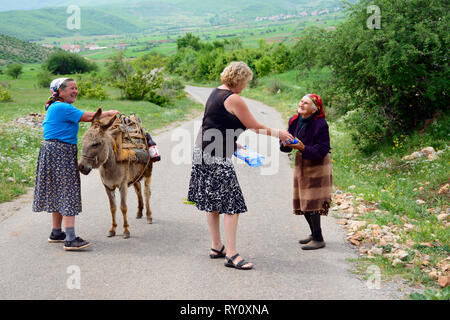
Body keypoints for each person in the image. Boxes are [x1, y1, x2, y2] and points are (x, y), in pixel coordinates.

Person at [187, 62, 294, 270]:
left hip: (202, 151)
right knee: (231, 204)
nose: (246, 86)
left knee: (213, 202)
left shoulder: (216, 92)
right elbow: (255, 127)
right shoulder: (234, 98)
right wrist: (279, 133)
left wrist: (233, 143)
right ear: (240, 79)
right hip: (216, 156)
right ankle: (231, 254)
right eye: (246, 81)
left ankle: (216, 246)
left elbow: (212, 123)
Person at [32, 78, 119, 251]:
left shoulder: (55, 106)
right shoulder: (62, 107)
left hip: (52, 150)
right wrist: (109, 112)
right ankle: (70, 239)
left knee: (57, 191)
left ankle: (56, 232)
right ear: (60, 92)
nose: (75, 91)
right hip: (60, 151)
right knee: (68, 191)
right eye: (71, 88)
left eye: (76, 88)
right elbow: (88, 117)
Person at [280, 94, 332, 250]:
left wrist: (303, 148)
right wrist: (285, 143)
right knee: (303, 201)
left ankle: (318, 238)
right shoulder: (294, 120)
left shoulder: (320, 124)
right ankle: (314, 233)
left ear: (314, 109)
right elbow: (286, 146)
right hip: (302, 162)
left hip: (318, 164)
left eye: (306, 103)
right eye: (301, 101)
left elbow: (323, 149)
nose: (301, 104)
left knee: (312, 201)